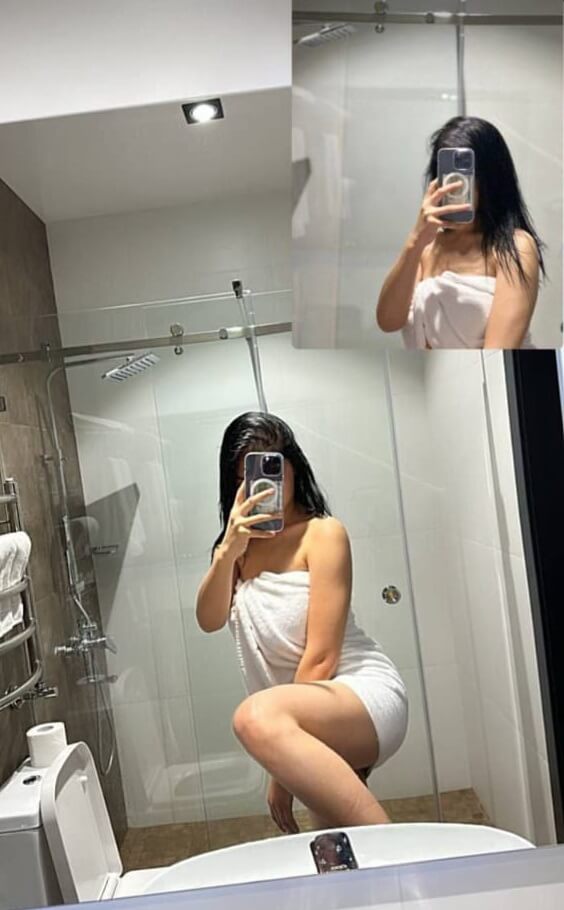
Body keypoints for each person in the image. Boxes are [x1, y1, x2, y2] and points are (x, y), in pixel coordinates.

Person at [196, 412, 408, 834]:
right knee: (335, 842)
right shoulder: (237, 547)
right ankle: (383, 872)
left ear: (294, 468)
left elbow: (323, 656)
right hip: (301, 713)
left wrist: (280, 775)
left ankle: (409, 866)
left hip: (356, 691)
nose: (265, 486)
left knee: (251, 718)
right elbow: (208, 619)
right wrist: (228, 551)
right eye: (249, 475)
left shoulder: (323, 534)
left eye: (274, 468)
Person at [376, 116, 546, 349]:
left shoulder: (514, 247)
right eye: (448, 174)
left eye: (467, 174)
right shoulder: (426, 247)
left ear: (490, 178)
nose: (457, 184)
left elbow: (497, 352)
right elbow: (388, 321)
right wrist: (415, 240)